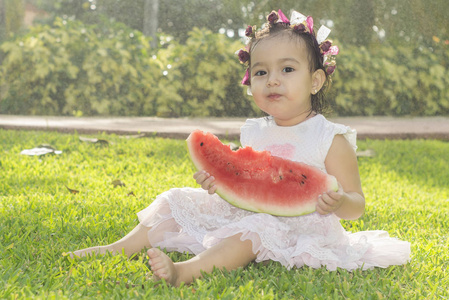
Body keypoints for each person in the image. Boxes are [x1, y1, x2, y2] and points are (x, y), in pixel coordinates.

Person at [69, 9, 410, 287]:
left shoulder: (329, 137)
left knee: (257, 230)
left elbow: (357, 204)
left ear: (315, 80)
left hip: (297, 226)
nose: (272, 79)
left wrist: (339, 201)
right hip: (245, 212)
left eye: (287, 69)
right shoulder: (253, 131)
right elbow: (245, 186)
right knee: (177, 198)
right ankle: (117, 248)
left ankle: (184, 272)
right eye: (261, 72)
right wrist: (219, 186)